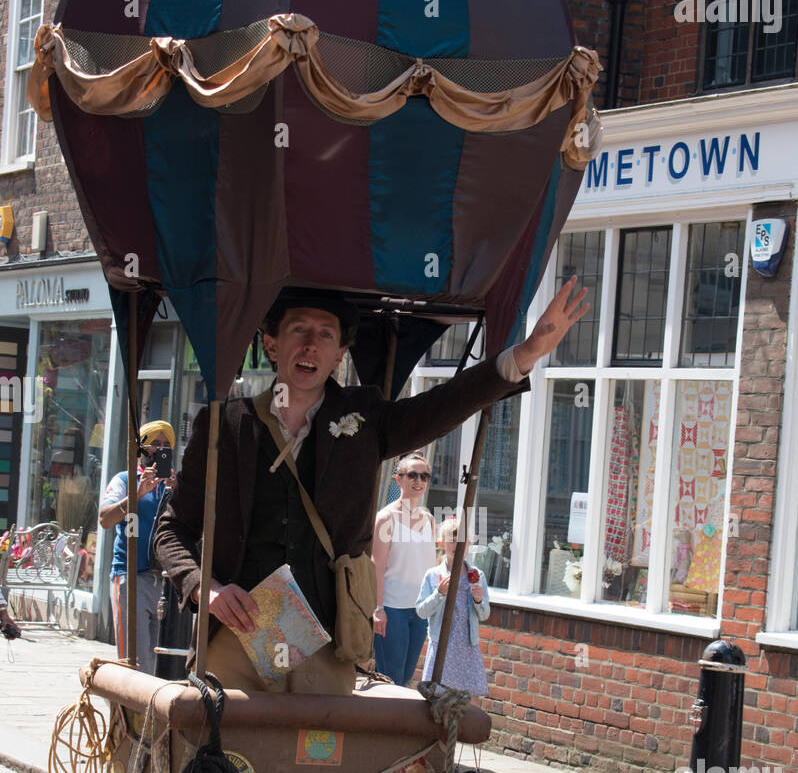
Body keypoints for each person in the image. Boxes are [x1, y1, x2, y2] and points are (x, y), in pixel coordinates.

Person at [154, 278, 590, 695]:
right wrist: (202, 587)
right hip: (236, 639)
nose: (311, 344)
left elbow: (444, 404)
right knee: (229, 763)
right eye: (298, 330)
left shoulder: (365, 417)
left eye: (325, 335)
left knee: (316, 764)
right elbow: (171, 531)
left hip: (328, 638)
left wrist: (526, 354)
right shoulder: (225, 424)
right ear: (272, 343)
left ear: (341, 351)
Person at [99, 420, 177, 675]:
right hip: (130, 578)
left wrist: (182, 496)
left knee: (160, 665)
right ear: (142, 448)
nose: (160, 450)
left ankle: (149, 716)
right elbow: (105, 519)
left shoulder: (173, 486)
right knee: (134, 662)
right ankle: (127, 714)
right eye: (155, 443)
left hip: (165, 584)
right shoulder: (126, 480)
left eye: (166, 445)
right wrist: (138, 492)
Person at [371, 451, 436, 685]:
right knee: (390, 679)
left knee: (406, 677)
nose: (419, 482)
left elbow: (429, 566)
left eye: (425, 476)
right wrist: (378, 608)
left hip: (419, 610)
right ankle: (379, 722)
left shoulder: (429, 519)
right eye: (412, 475)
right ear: (398, 479)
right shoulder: (386, 518)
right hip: (392, 609)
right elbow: (376, 566)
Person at [416, 517, 490, 699]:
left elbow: (485, 615)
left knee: (465, 698)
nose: (457, 545)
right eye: (452, 539)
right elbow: (421, 611)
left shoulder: (477, 575)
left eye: (462, 541)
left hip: (466, 645)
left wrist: (479, 601)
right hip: (442, 644)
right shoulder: (433, 575)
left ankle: (463, 728)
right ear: (441, 543)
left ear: (469, 545)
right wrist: (439, 593)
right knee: (437, 695)